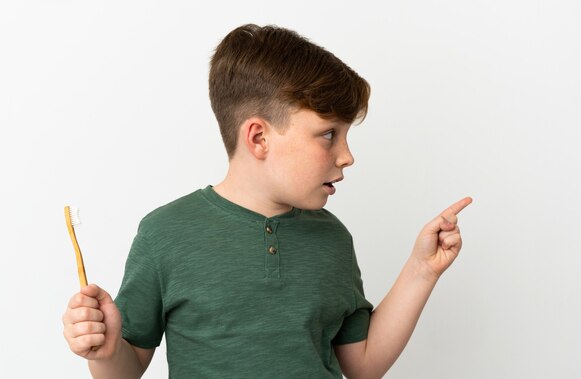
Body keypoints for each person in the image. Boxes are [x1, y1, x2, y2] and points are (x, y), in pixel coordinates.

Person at [62, 23, 472, 378]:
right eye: (329, 134)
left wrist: (421, 271)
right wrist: (106, 350)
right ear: (259, 138)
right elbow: (126, 369)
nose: (347, 156)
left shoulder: (333, 240)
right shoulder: (164, 234)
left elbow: (362, 366)